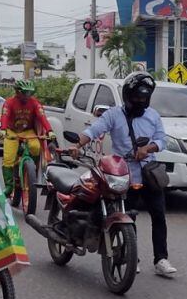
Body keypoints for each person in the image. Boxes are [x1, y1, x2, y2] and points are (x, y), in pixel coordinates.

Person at [75, 72, 177, 278]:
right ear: (127, 96)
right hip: (122, 174)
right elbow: (93, 130)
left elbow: (162, 140)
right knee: (127, 216)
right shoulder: (113, 115)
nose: (140, 101)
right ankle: (132, 257)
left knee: (159, 216)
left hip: (149, 173)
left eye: (144, 98)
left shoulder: (153, 116)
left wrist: (148, 148)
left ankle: (161, 259)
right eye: (137, 98)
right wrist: (77, 145)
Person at [0, 78, 55, 198]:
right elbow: (4, 116)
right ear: (17, 92)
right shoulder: (9, 102)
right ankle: (9, 187)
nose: (27, 95)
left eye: (30, 93)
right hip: (12, 131)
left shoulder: (35, 103)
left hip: (28, 131)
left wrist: (50, 131)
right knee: (8, 159)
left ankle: (31, 172)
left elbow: (42, 117)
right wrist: (3, 130)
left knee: (35, 147)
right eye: (25, 92)